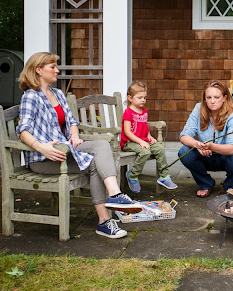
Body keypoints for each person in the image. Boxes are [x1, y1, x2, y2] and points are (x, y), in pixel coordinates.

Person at [16, 52, 142, 239]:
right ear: (39, 70)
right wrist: (42, 147)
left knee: (98, 151)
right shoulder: (30, 97)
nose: (57, 70)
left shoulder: (57, 93)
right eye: (53, 67)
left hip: (65, 150)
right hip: (44, 158)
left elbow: (72, 121)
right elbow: (23, 131)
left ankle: (106, 217)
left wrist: (74, 135)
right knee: (97, 154)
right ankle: (113, 202)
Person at [179, 80, 233, 197]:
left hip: (226, 158)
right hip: (205, 156)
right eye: (209, 97)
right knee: (184, 152)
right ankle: (206, 183)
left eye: (216, 97)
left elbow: (231, 148)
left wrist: (210, 146)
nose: (212, 101)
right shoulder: (198, 109)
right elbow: (184, 136)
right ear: (205, 98)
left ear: (225, 98)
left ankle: (230, 184)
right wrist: (197, 145)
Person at [120, 81, 177, 193]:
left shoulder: (144, 111)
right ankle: (132, 175)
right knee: (145, 152)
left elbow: (144, 127)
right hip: (129, 142)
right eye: (139, 97)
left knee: (159, 148)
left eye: (144, 98)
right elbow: (127, 132)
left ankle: (164, 176)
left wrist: (149, 136)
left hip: (142, 140)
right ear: (130, 98)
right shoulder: (128, 113)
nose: (143, 100)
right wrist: (141, 142)